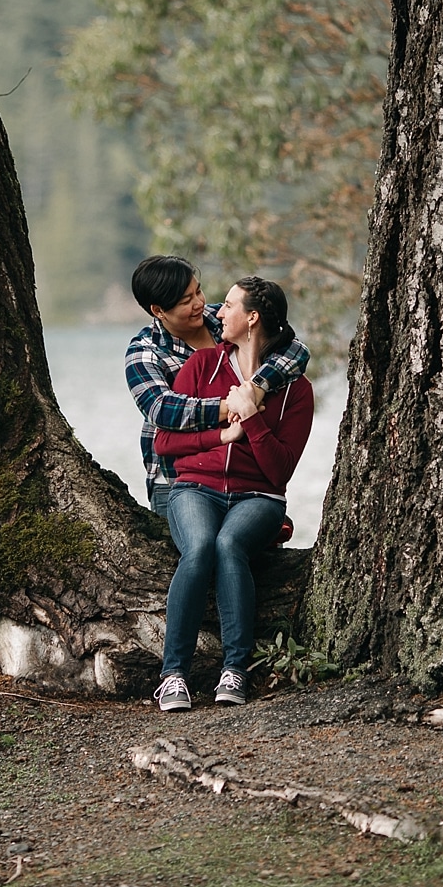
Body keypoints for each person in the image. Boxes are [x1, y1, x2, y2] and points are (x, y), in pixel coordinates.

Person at [149, 277, 313, 709]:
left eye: (229, 306)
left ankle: (234, 670)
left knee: (228, 544)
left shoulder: (296, 390)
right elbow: (164, 443)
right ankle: (173, 676)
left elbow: (279, 472)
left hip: (259, 498)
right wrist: (223, 436)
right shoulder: (202, 366)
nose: (217, 311)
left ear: (252, 318)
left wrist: (253, 420)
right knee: (200, 546)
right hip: (194, 490)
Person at [125, 255, 309, 526]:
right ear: (158, 310)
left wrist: (258, 386)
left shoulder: (219, 319)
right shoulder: (145, 353)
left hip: (246, 480)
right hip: (177, 480)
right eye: (186, 301)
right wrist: (233, 406)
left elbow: (295, 349)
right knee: (197, 555)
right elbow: (161, 409)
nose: (199, 303)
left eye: (197, 290)